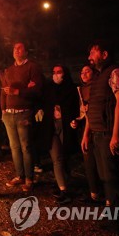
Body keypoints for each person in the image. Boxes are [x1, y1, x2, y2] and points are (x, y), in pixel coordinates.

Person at [81, 40, 119, 230]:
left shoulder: (117, 73)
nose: (89, 57)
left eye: (93, 52)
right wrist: (87, 134)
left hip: (109, 134)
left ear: (104, 54)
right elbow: (92, 109)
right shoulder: (100, 77)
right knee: (106, 177)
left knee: (113, 177)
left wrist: (116, 135)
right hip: (98, 133)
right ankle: (115, 219)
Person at [0, 42, 43, 193]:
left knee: (26, 147)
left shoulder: (33, 67)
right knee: (14, 147)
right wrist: (3, 110)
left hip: (24, 112)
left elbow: (37, 90)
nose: (17, 51)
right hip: (9, 114)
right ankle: (20, 175)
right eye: (14, 49)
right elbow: (3, 92)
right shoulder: (9, 70)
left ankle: (29, 178)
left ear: (25, 52)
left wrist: (18, 92)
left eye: (20, 48)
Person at [37, 65, 79, 204]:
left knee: (65, 156)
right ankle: (63, 189)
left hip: (66, 126)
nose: (56, 75)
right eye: (54, 72)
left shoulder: (71, 89)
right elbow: (43, 103)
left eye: (59, 72)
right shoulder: (49, 89)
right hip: (51, 127)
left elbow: (74, 108)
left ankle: (65, 182)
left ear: (65, 74)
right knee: (57, 158)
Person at [70, 64, 104, 205]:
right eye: (82, 71)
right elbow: (82, 113)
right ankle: (94, 193)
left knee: (99, 163)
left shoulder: (97, 89)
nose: (83, 74)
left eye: (87, 71)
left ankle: (105, 194)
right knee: (88, 163)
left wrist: (86, 133)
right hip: (84, 128)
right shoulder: (80, 89)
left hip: (95, 129)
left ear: (95, 73)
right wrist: (76, 121)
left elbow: (93, 113)